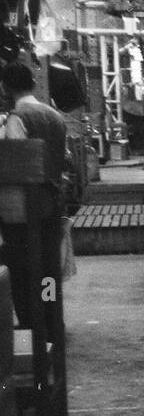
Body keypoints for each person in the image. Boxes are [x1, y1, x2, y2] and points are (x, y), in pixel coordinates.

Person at [1, 61, 67, 329]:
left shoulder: (17, 118)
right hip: (52, 203)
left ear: (5, 87)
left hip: (23, 209)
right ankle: (52, 320)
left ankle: (31, 324)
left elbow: (18, 164)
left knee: (22, 270)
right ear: (32, 83)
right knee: (49, 270)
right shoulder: (55, 116)